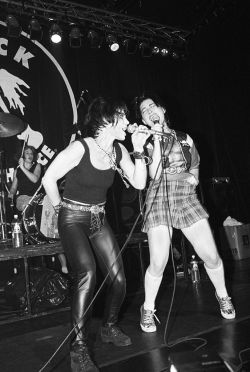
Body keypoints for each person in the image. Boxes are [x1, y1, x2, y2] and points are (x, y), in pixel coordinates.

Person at [42, 97, 150, 372]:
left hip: (99, 219)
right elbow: (48, 178)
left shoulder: (119, 151)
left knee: (120, 279)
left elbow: (139, 182)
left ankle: (109, 327)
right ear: (106, 119)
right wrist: (59, 210)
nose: (128, 122)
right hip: (73, 217)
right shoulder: (81, 148)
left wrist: (138, 150)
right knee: (87, 274)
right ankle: (78, 350)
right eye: (123, 117)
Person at [134, 94, 235, 334]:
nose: (148, 110)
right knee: (158, 262)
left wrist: (195, 178)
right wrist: (156, 135)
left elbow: (196, 163)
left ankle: (223, 296)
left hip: (185, 195)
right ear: (145, 120)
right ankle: (148, 308)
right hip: (159, 194)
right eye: (143, 110)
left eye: (151, 106)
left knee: (211, 256)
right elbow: (154, 175)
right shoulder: (146, 141)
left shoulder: (184, 137)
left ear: (162, 108)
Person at [8, 145, 68, 274]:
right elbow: (14, 187)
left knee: (49, 228)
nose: (29, 155)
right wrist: (10, 193)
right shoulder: (17, 170)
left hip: (37, 199)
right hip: (23, 199)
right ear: (22, 156)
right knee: (26, 207)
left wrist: (23, 167)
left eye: (31, 153)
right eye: (26, 153)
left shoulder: (38, 166)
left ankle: (63, 262)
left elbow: (34, 179)